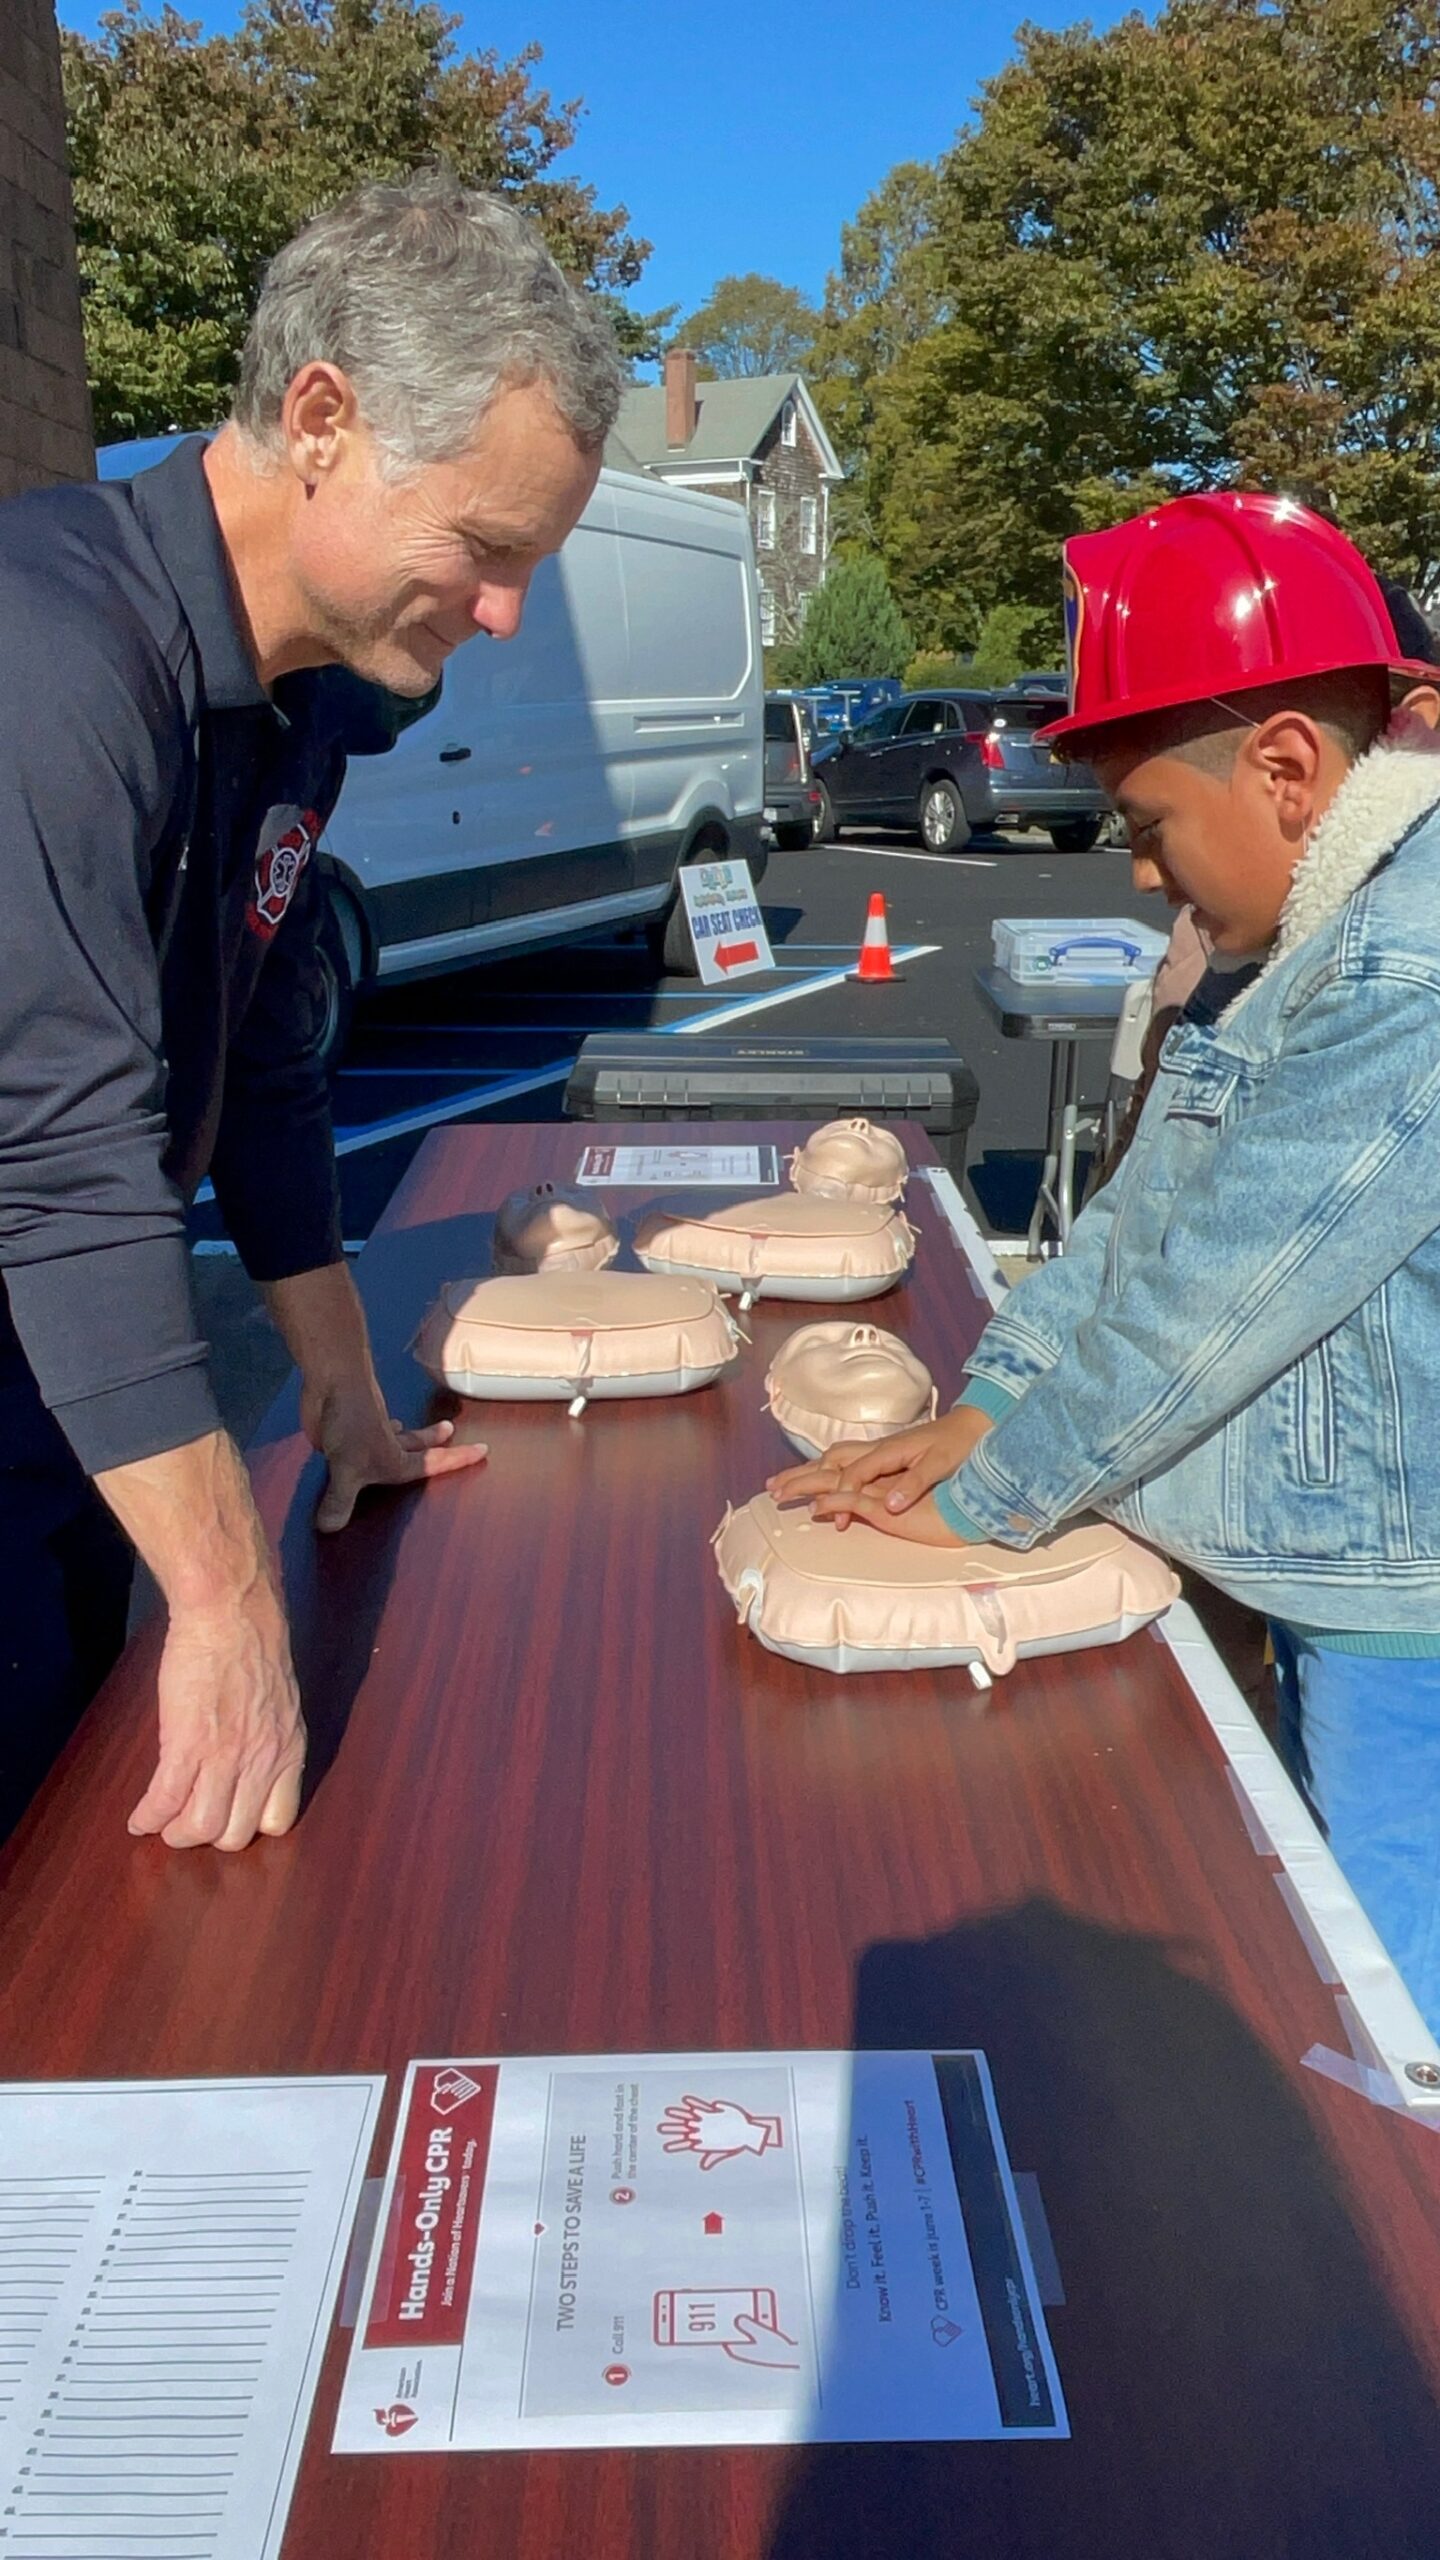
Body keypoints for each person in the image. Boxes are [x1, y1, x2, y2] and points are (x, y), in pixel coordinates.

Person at [0, 167, 622, 1851]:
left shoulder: (307, 703)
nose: (502, 614)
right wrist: (222, 1600)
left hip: (65, 1421)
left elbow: (258, 1064)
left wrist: (343, 1394)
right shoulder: (52, 652)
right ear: (323, 417)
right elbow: (59, 1164)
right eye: (487, 549)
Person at [772, 492, 1440, 2031]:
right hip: (1317, 1569)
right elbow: (1145, 1221)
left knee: (1393, 2004)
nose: (1139, 876)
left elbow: (1226, 1292)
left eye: (1149, 828)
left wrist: (993, 1494)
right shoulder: (1305, 934)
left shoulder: (1407, 966)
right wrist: (994, 1397)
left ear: (1286, 769)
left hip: (1398, 1612)